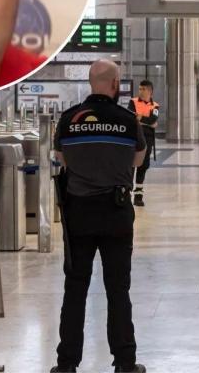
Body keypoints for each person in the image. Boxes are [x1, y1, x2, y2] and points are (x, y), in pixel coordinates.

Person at [52, 59, 146, 373]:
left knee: (75, 287)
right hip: (116, 212)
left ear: (91, 82)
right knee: (117, 288)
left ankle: (66, 363)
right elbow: (137, 160)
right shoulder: (128, 119)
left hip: (78, 213)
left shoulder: (69, 119)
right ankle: (124, 362)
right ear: (115, 82)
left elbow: (62, 158)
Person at [129, 80, 159, 207]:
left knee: (142, 167)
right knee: (130, 166)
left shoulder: (155, 106)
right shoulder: (133, 102)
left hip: (148, 140)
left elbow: (154, 119)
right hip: (134, 138)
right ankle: (126, 194)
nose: (140, 91)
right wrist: (148, 122)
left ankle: (138, 197)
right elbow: (130, 117)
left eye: (143, 89)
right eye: (140, 89)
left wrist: (140, 118)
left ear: (150, 91)